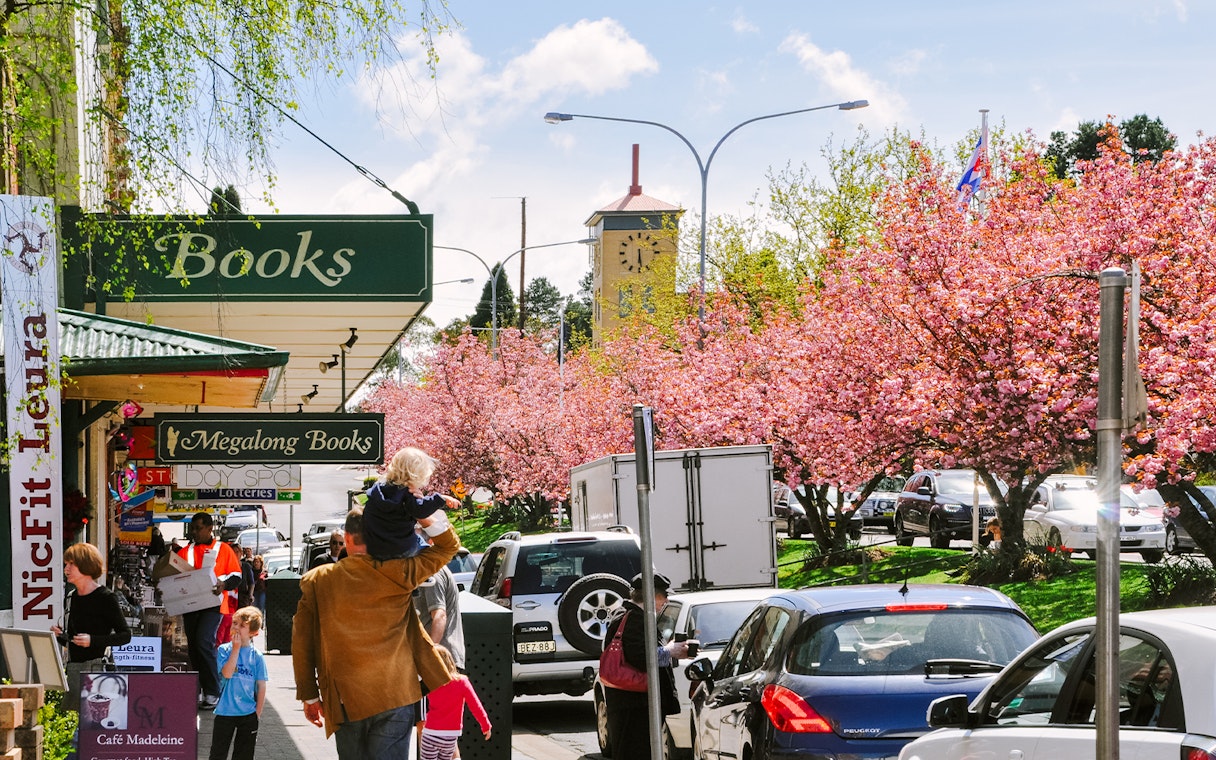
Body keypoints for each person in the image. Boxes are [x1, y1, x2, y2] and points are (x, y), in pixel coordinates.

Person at [293, 505, 459, 760]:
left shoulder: (318, 580)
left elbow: (302, 641)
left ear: (347, 539)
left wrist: (309, 694)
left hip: (346, 698)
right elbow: (448, 546)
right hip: (397, 693)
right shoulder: (399, 571)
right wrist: (421, 512)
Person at [601, 572, 689, 760]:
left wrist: (672, 653)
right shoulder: (634, 619)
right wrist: (670, 651)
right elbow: (642, 658)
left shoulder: (632, 616)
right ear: (653, 596)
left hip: (634, 703)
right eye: (664, 596)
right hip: (635, 705)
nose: (665, 601)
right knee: (636, 752)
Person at [51, 543, 133, 711]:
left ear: (85, 565)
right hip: (74, 670)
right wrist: (61, 637)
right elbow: (74, 642)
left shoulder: (106, 598)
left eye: (71, 564)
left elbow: (125, 635)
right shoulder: (72, 597)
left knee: (94, 722)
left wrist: (93, 641)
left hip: (97, 670)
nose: (66, 568)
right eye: (66, 564)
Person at [178, 512, 243, 710]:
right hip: (190, 605)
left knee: (203, 642)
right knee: (194, 648)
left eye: (198, 528)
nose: (194, 532)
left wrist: (223, 584)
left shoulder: (223, 549)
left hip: (213, 605)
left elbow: (236, 576)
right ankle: (199, 690)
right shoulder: (185, 552)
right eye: (192, 528)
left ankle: (213, 691)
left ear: (209, 528)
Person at [363, 446, 460, 560]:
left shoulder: (377, 492)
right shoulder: (408, 495)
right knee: (424, 549)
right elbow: (420, 511)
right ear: (418, 475)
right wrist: (441, 498)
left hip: (374, 548)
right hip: (402, 548)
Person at [210, 606, 268, 760]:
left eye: (242, 625)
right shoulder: (224, 650)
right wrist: (235, 649)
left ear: (253, 633)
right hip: (225, 711)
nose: (236, 627)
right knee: (218, 754)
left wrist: (257, 713)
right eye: (235, 623)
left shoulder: (257, 656)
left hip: (248, 713)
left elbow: (261, 685)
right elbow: (227, 673)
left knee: (244, 754)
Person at [419, 645, 491, 760]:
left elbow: (415, 693)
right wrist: (485, 724)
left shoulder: (431, 681)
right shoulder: (462, 681)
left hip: (431, 733)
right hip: (451, 736)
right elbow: (475, 705)